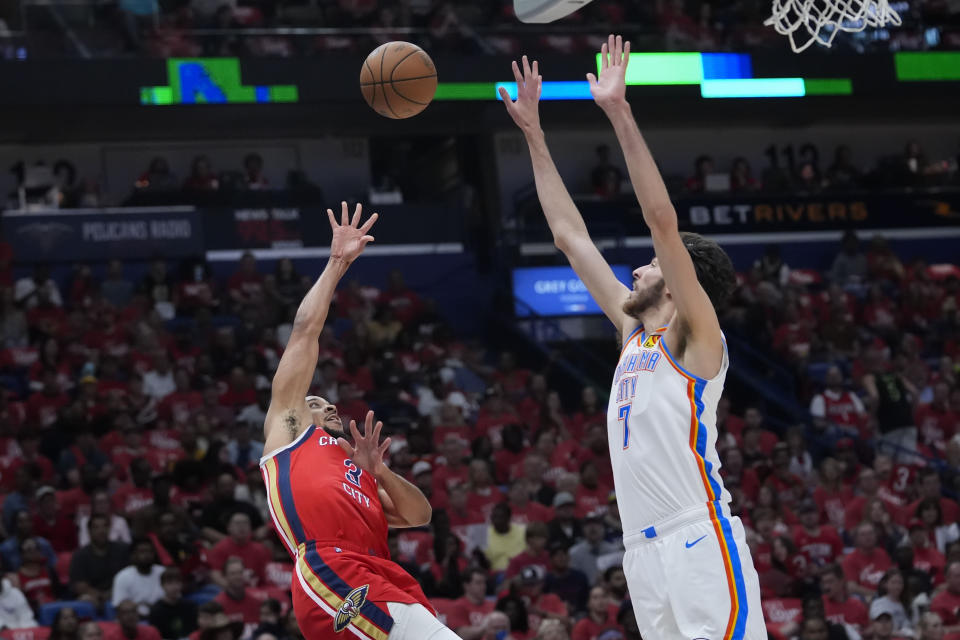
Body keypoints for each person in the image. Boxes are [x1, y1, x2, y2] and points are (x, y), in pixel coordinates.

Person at [500, 35, 763, 639]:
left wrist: (619, 112)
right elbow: (570, 236)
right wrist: (535, 136)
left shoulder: (694, 339)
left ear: (676, 280)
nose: (639, 269)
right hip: (640, 553)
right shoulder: (631, 332)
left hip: (697, 534)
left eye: (650, 264)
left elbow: (662, 221)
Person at [259, 201, 458, 640]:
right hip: (331, 566)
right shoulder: (290, 432)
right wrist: (336, 264)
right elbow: (304, 332)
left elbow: (419, 514)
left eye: (329, 402)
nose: (326, 405)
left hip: (382, 570)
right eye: (315, 400)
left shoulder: (358, 469)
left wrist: (380, 472)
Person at [111, 538, 166, 616]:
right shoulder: (123, 576)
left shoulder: (163, 573)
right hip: (135, 621)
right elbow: (120, 607)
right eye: (142, 552)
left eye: (149, 551)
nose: (146, 555)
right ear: (133, 555)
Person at [148, 568, 198, 640]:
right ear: (162, 585)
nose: (174, 587)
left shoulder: (191, 606)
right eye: (170, 583)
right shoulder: (156, 610)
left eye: (177, 582)